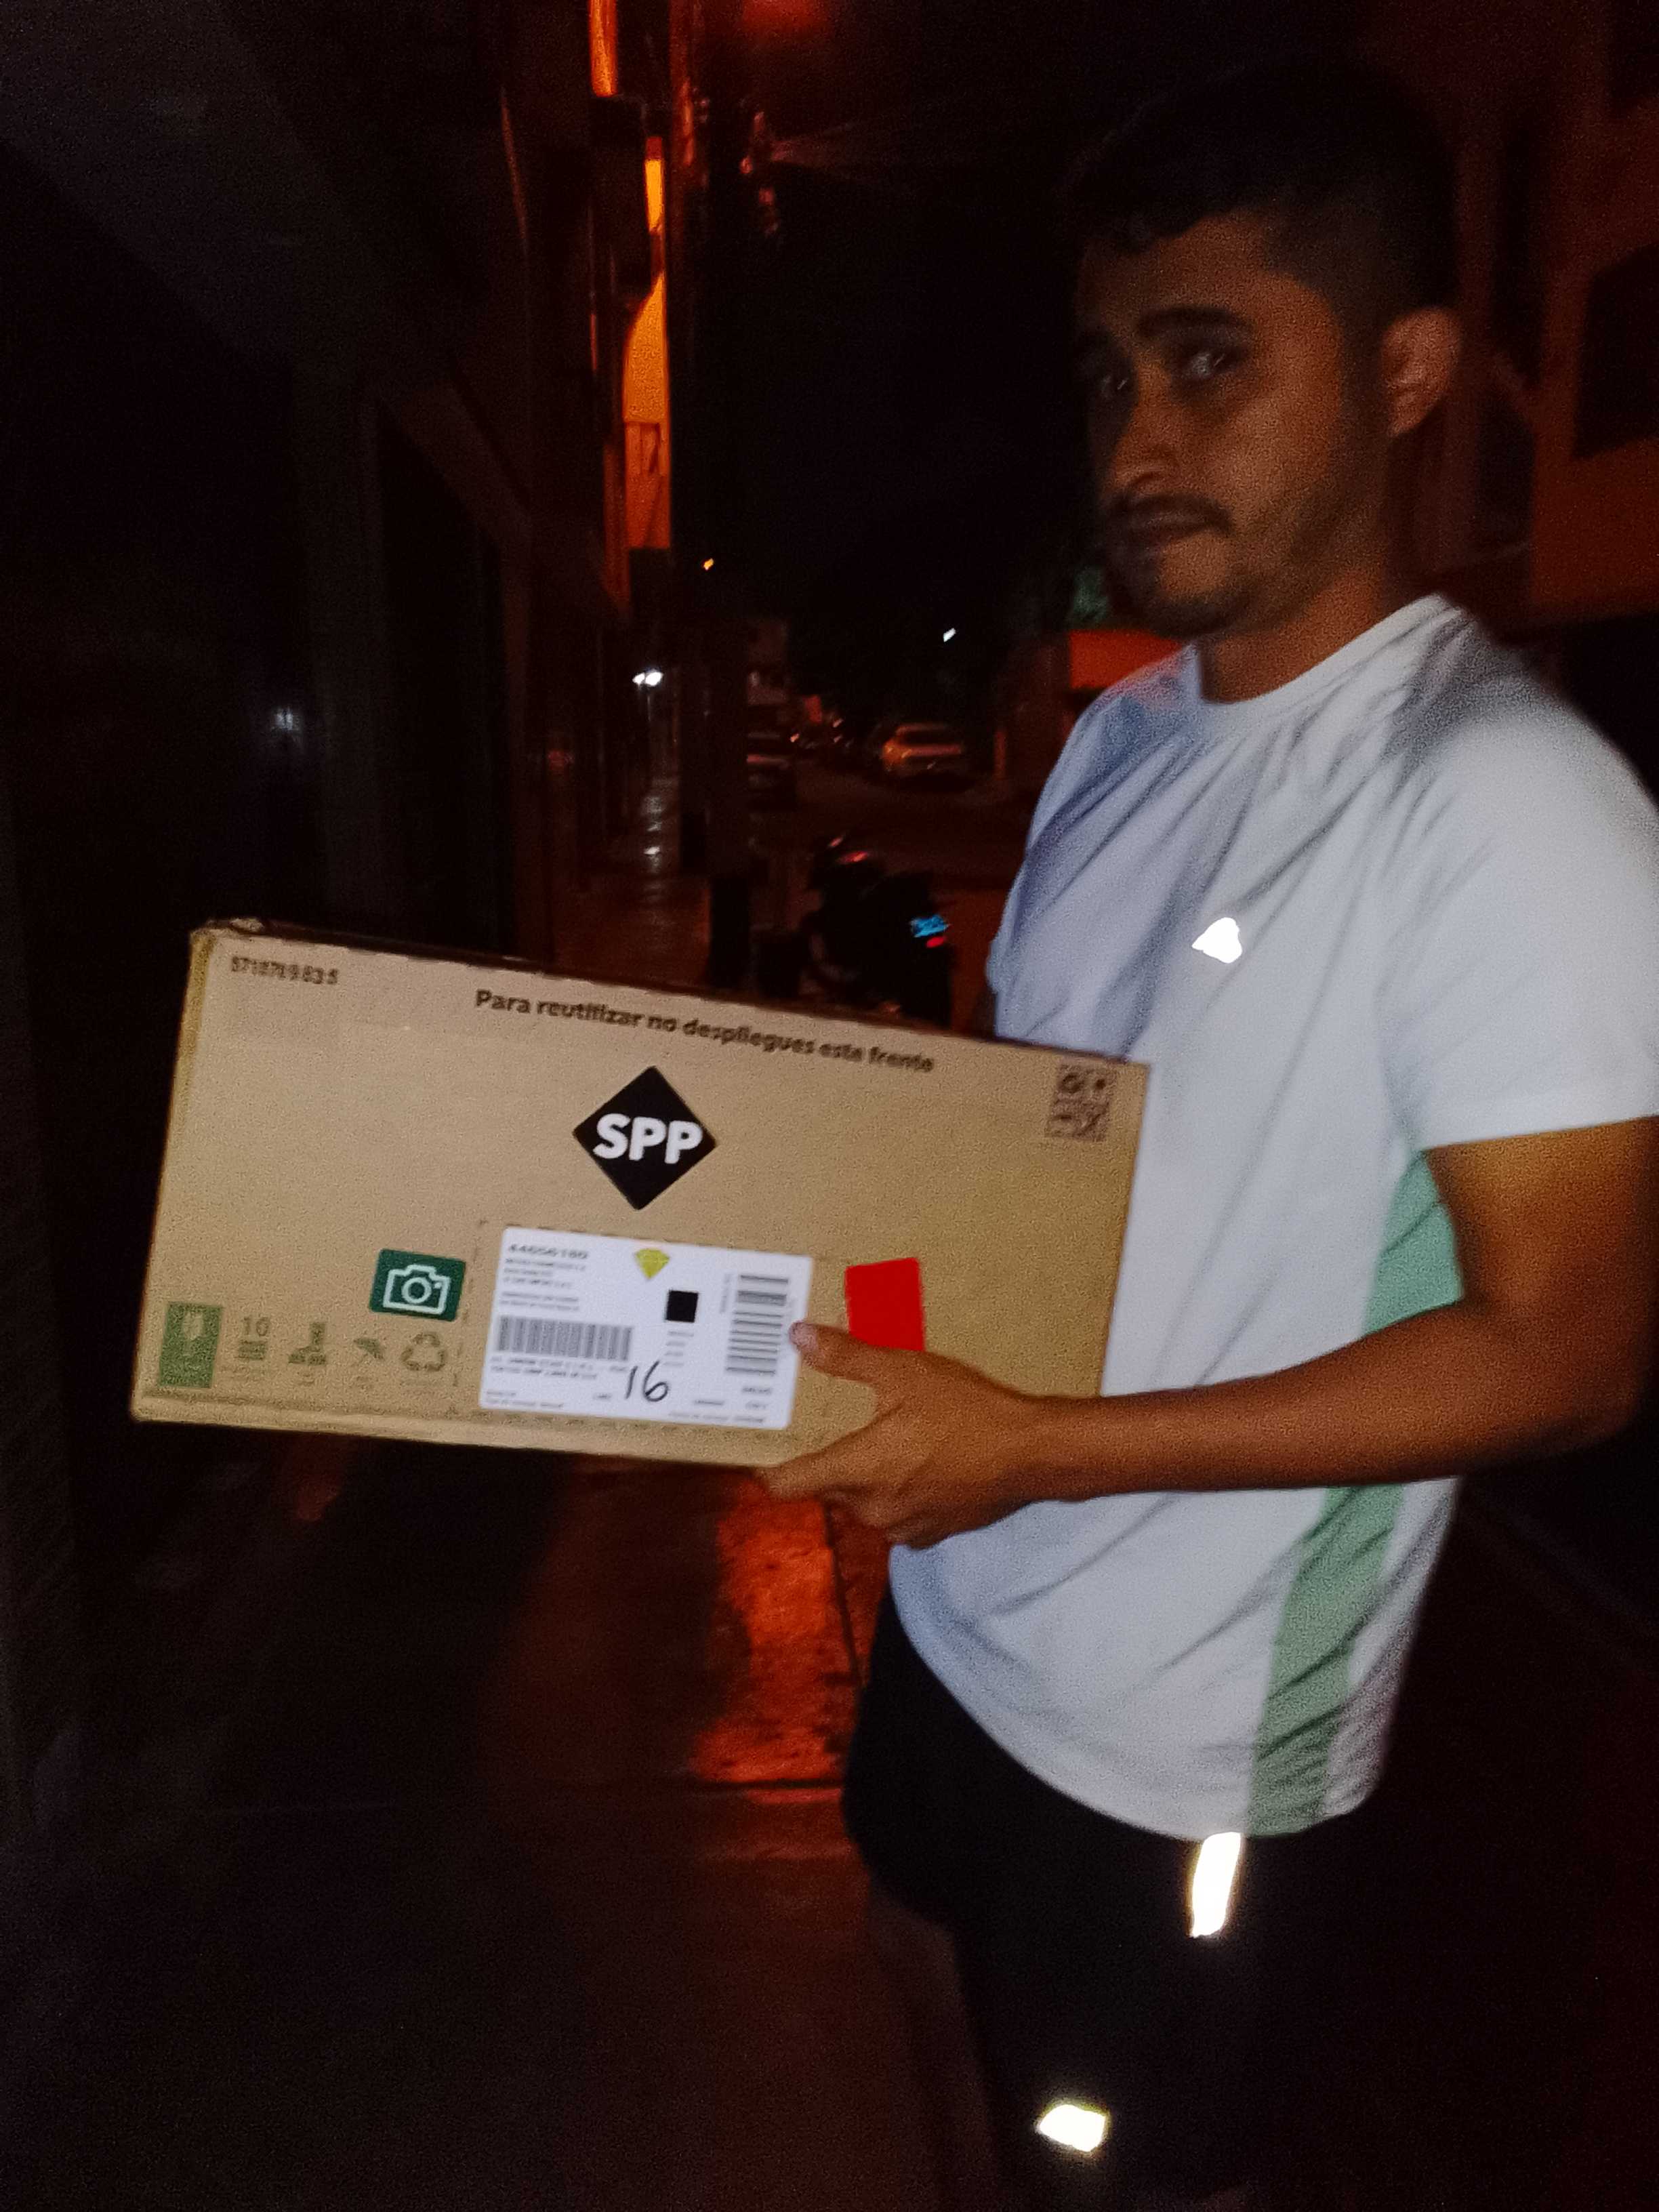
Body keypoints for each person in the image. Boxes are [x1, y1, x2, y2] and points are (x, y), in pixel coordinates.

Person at [761, 56, 1659, 2212]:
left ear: (1410, 371)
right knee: (921, 1986)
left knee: (1137, 2177)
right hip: (964, 1610)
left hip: (1184, 1736)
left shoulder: (1503, 800)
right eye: (1107, 374)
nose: (1136, 443)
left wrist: (1039, 1451)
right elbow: (1039, 1135)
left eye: (1209, 361)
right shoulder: (1126, 738)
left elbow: (1570, 1355)